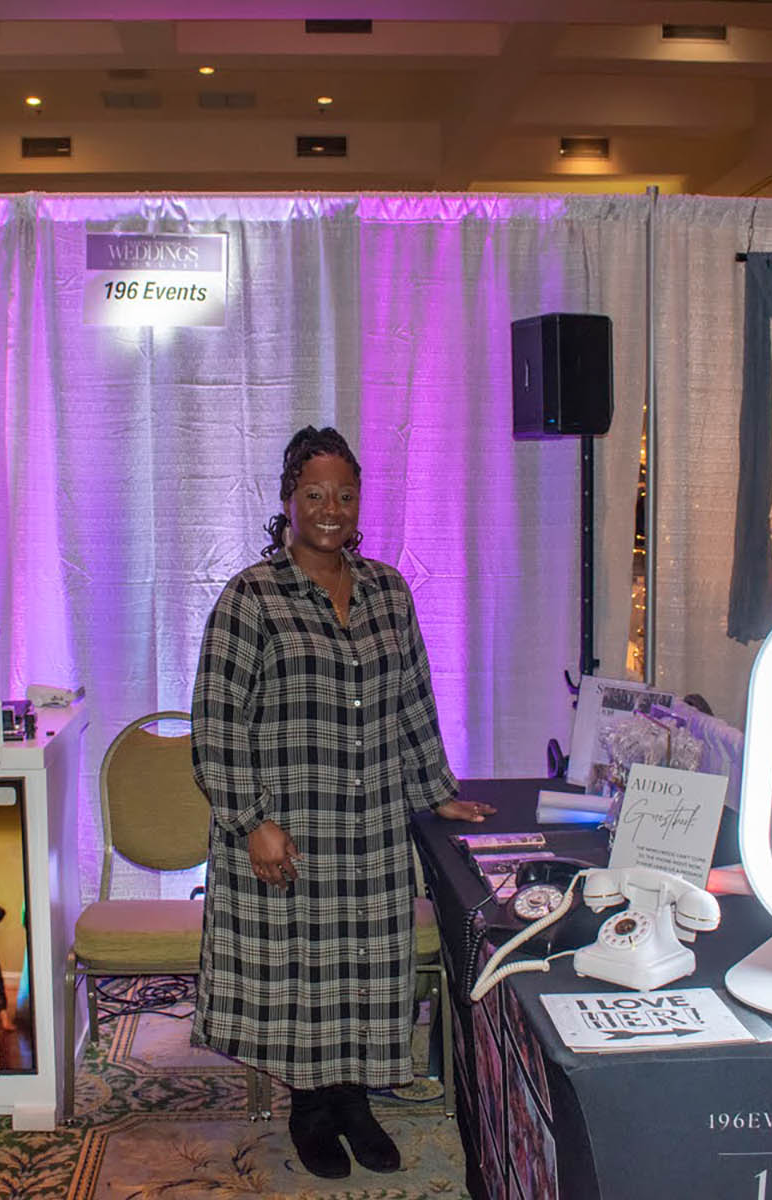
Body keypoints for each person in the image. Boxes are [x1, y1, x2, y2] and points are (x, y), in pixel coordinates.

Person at [191, 425, 495, 1179]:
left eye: (345, 495)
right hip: (291, 828)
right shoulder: (251, 598)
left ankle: (356, 1104)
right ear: (288, 500)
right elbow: (216, 723)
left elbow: (414, 702)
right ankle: (312, 1112)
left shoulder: (389, 592)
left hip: (371, 830)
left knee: (364, 970)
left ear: (360, 503)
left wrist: (439, 792)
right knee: (302, 976)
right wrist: (251, 821)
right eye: (315, 494)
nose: (331, 509)